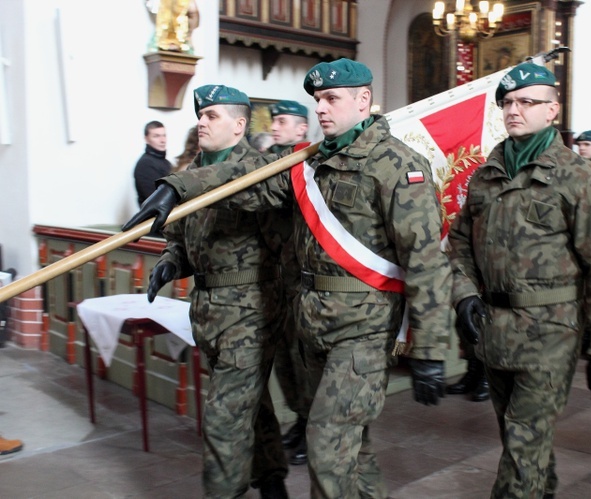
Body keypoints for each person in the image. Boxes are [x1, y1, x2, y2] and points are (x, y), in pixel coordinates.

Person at [123, 58, 452, 499]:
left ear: (363, 100)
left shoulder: (397, 165)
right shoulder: (310, 164)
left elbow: (426, 259)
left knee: (327, 445)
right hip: (314, 328)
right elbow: (248, 179)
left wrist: (430, 348)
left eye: (332, 99)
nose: (321, 109)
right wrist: (177, 187)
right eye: (317, 100)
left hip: (365, 330)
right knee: (353, 450)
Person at [448, 62, 591, 499]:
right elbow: (458, 242)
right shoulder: (487, 174)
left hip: (550, 332)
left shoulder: (578, 178)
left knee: (521, 452)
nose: (514, 110)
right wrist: (464, 294)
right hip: (494, 332)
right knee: (524, 446)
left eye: (527, 102)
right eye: (507, 103)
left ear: (552, 110)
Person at [127, 85, 289, 498]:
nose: (201, 120)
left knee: (222, 417)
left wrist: (181, 183)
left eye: (212, 115)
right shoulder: (192, 169)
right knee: (249, 406)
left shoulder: (263, 170)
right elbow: (181, 235)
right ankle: (271, 481)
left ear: (239, 125)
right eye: (201, 114)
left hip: (250, 313)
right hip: (208, 313)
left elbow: (271, 230)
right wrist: (171, 260)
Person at [264, 98, 312, 466]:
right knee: (284, 359)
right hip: (275, 280)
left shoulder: (308, 167)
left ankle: (311, 425)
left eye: (282, 121)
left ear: (301, 129)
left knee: (302, 358)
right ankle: (299, 418)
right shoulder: (268, 165)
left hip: (302, 283)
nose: (274, 126)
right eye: (273, 121)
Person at [133, 120, 173, 206]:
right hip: (157, 217)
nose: (162, 140)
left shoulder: (165, 162)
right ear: (146, 139)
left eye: (164, 135)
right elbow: (155, 199)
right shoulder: (145, 164)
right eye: (156, 136)